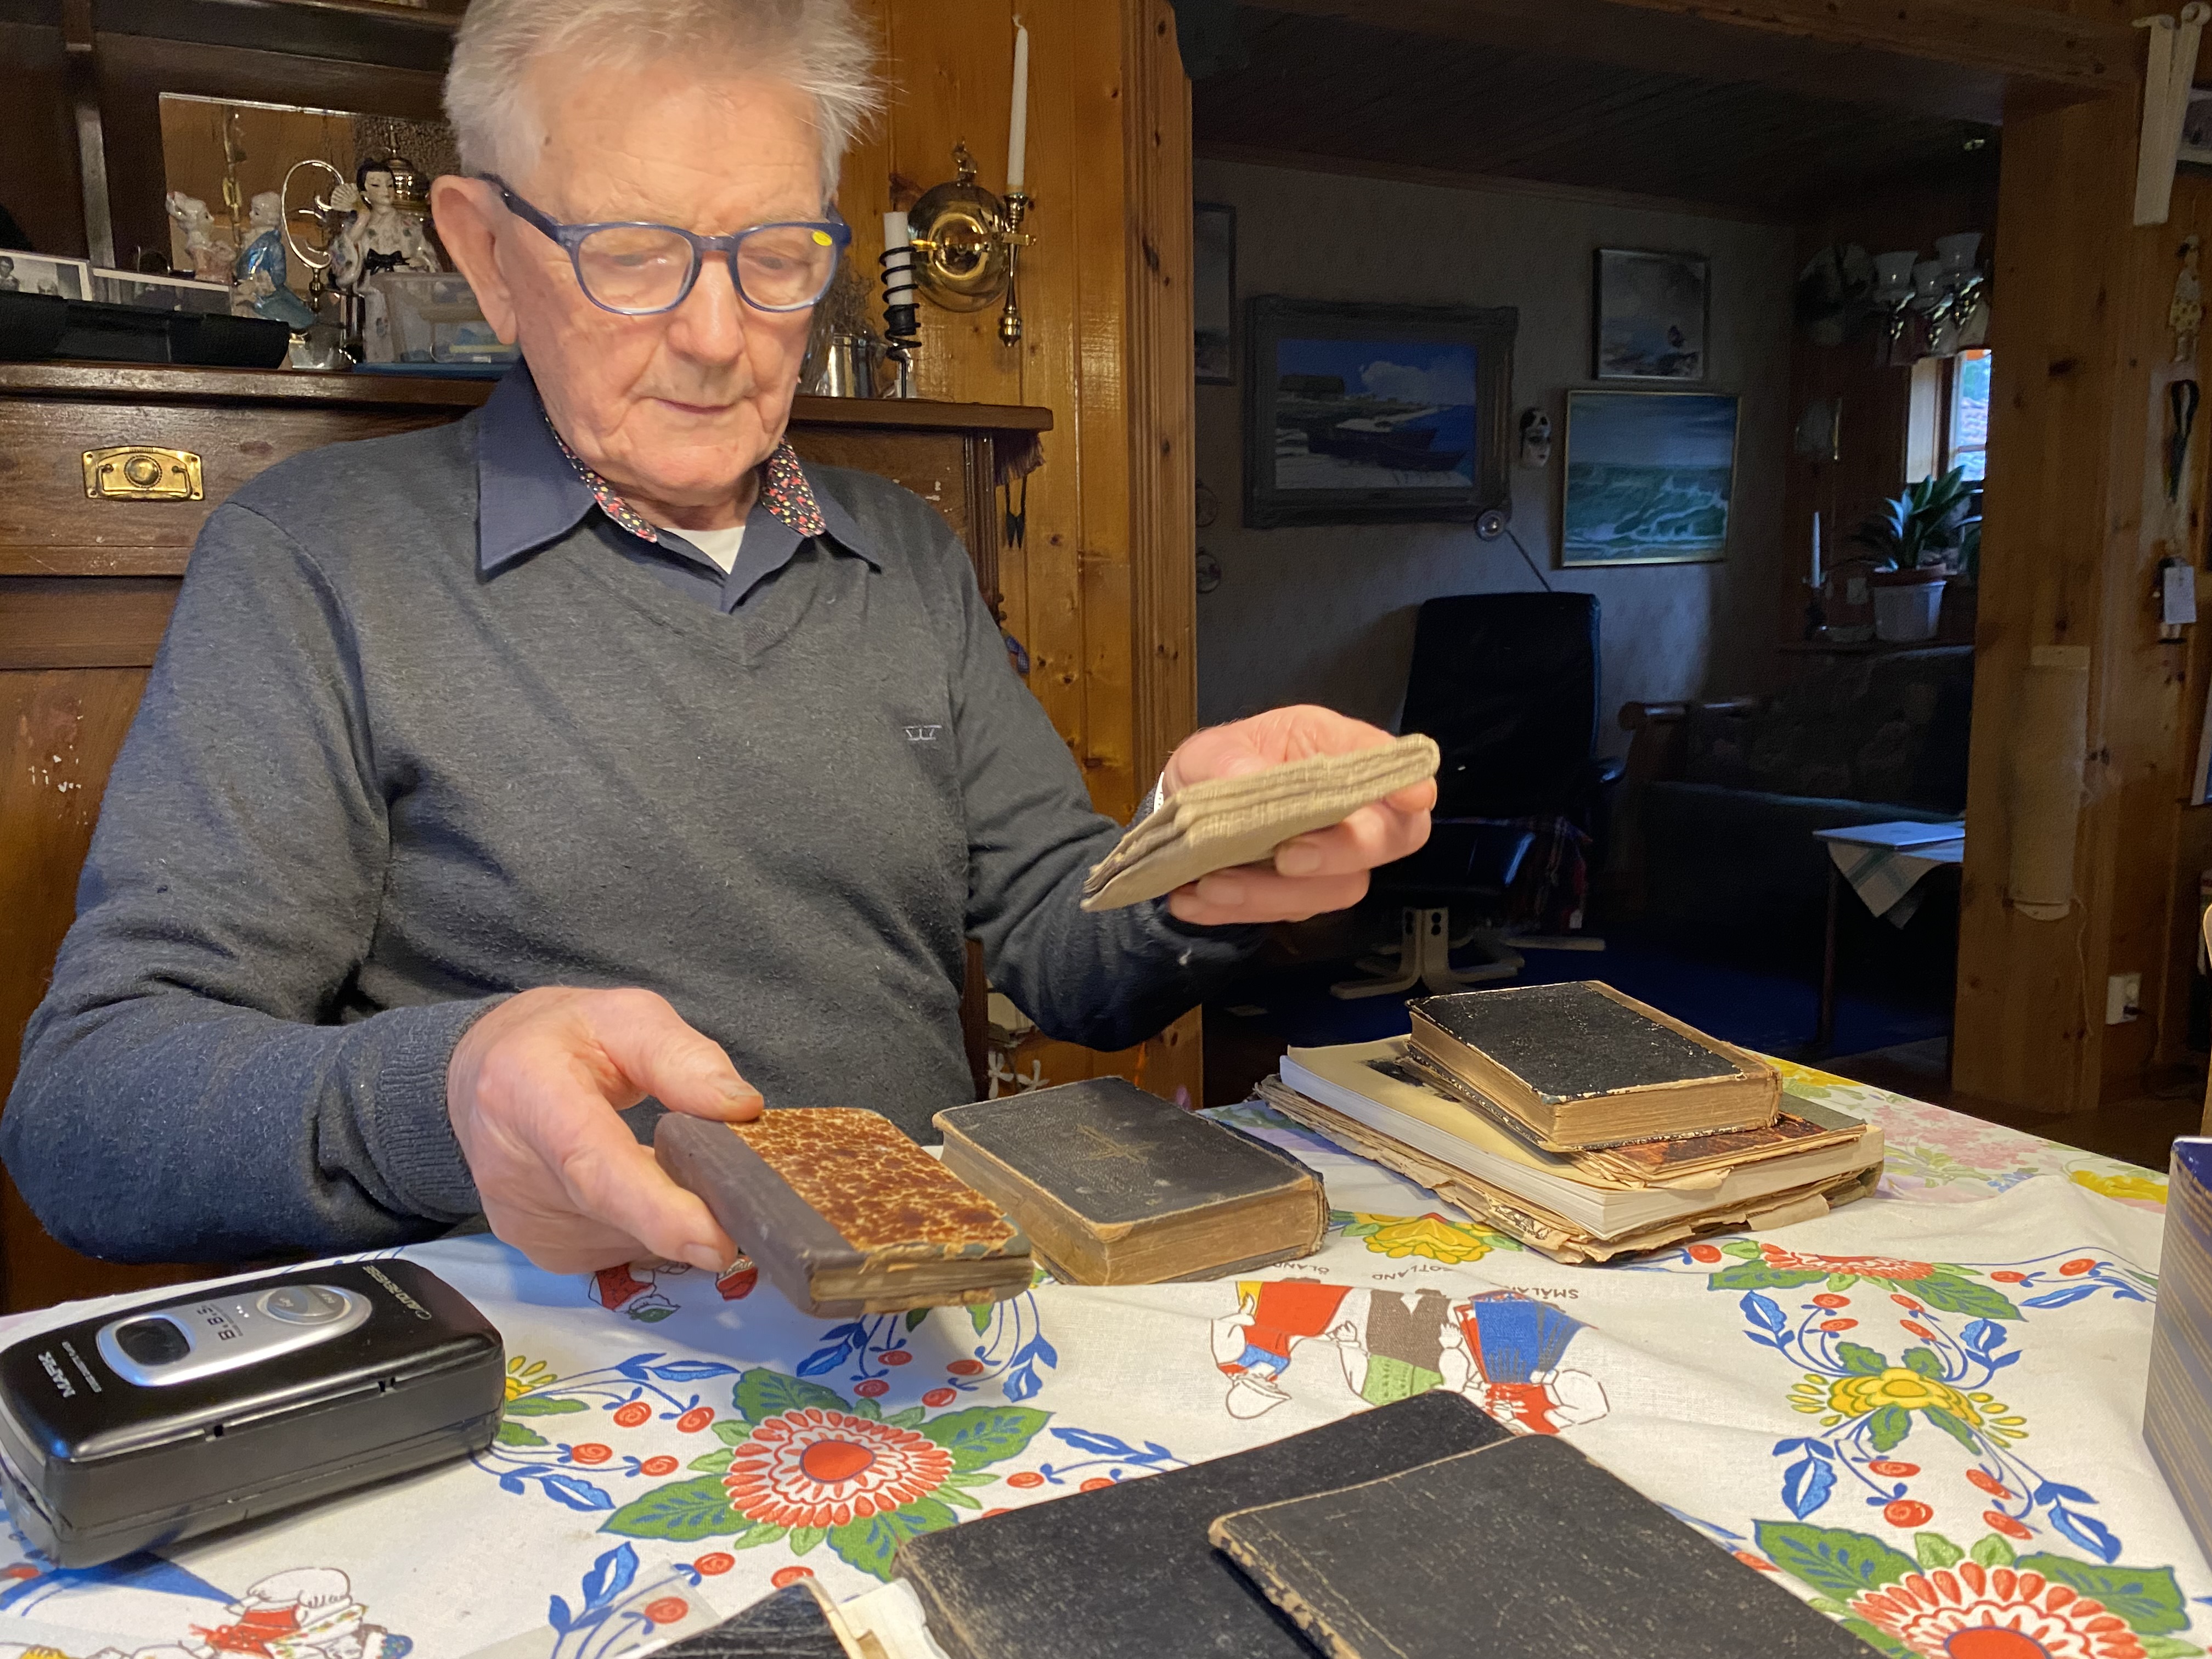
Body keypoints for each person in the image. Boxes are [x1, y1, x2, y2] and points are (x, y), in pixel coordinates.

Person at [2, 0, 1432, 1279]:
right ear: (488, 257)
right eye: (630, 255)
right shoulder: (319, 562)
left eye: (774, 256)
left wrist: (1196, 860)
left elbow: (1065, 944)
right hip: (561, 1372)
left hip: (919, 1314)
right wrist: (451, 1095)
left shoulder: (907, 556)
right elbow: (87, 1115)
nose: (716, 336)